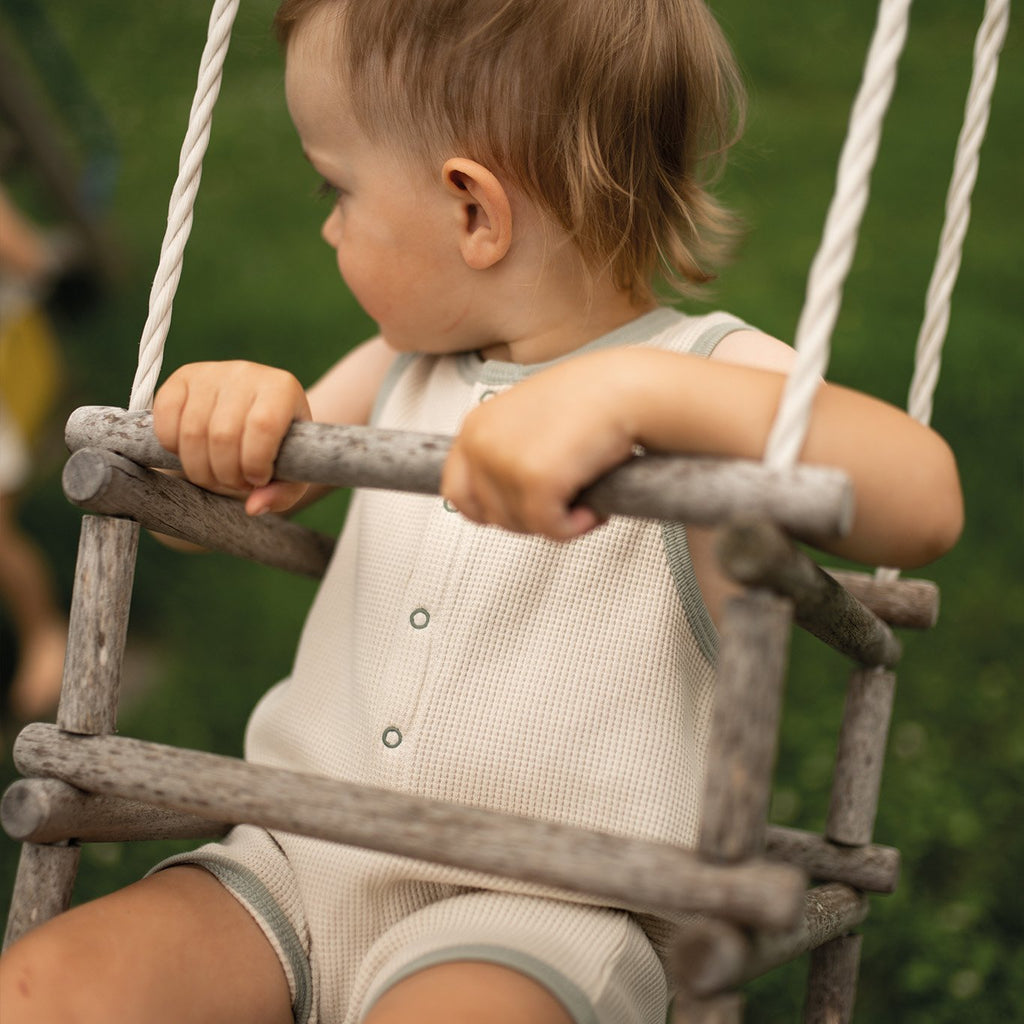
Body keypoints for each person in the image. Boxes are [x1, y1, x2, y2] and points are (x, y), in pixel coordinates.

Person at [0, 2, 963, 1022]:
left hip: (543, 909)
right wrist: (230, 411)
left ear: (473, 211)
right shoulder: (396, 370)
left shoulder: (709, 378)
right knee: (49, 988)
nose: (326, 223)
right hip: (288, 861)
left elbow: (924, 498)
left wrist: (633, 398)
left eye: (336, 187)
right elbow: (188, 509)